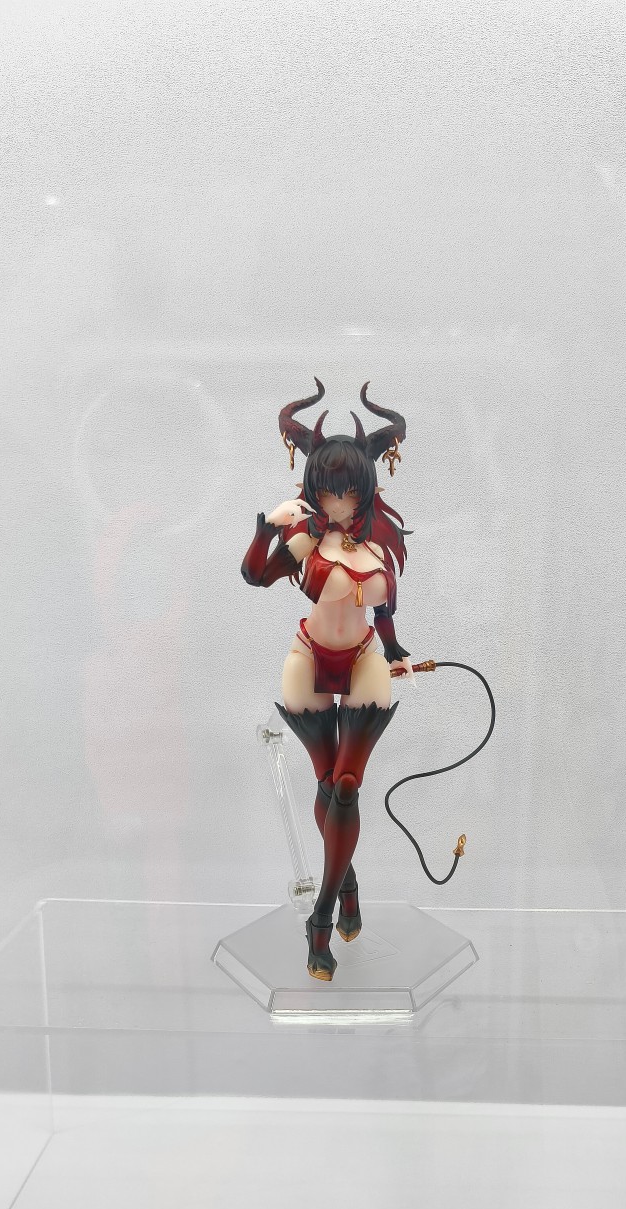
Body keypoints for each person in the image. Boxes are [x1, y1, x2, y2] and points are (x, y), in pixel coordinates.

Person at [241, 379, 412, 980]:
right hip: (309, 656)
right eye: (328, 490)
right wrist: (267, 527)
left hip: (363, 657)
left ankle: (321, 918)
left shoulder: (379, 545)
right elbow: (256, 577)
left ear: (365, 487)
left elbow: (385, 615)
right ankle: (349, 889)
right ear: (314, 487)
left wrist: (395, 650)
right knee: (325, 783)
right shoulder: (307, 537)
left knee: (345, 786)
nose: (338, 501)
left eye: (349, 490)